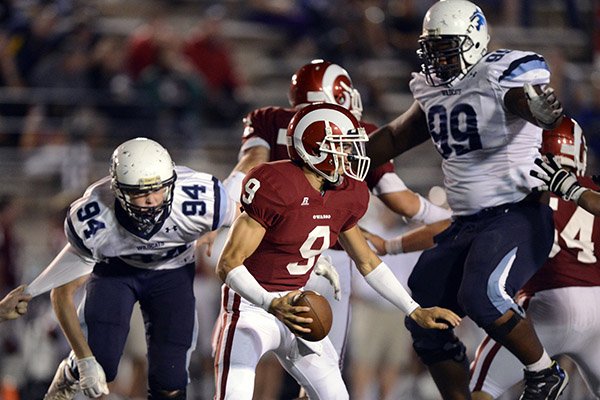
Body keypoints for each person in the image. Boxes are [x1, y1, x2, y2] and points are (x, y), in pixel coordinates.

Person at [364, 1, 568, 399]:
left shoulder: (499, 75)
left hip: (518, 214)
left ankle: (544, 372)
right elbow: (397, 136)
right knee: (420, 307)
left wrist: (538, 108)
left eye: (446, 47)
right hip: (466, 223)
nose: (436, 57)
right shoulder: (434, 89)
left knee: (481, 294)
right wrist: (348, 158)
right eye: (432, 47)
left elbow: (521, 101)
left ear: (474, 42)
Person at [213, 102, 461, 399]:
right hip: (249, 306)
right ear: (314, 148)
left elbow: (367, 261)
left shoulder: (348, 193)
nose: (348, 156)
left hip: (298, 304)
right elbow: (228, 264)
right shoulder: (276, 184)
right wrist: (270, 303)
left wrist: (414, 310)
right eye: (341, 147)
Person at [28, 137, 237, 399]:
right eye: (139, 192)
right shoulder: (94, 214)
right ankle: (69, 371)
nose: (151, 200)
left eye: (158, 189)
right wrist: (82, 361)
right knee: (102, 362)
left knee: (170, 380)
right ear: (118, 191)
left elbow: (240, 214)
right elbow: (62, 290)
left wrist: (213, 228)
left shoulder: (202, 201)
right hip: (117, 272)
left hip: (171, 272)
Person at [471, 117, 600, 399]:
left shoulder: (521, 191)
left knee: (481, 387)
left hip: (545, 303)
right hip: (598, 303)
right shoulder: (593, 191)